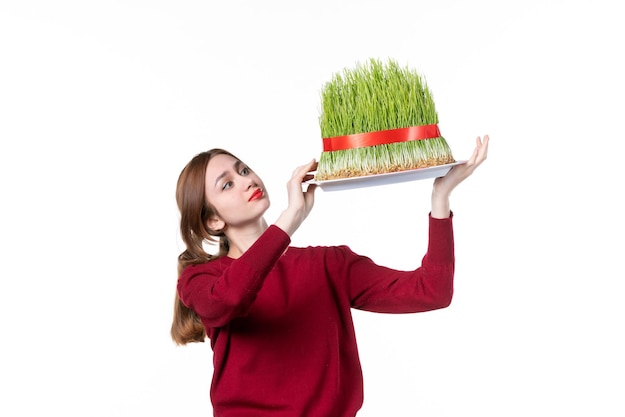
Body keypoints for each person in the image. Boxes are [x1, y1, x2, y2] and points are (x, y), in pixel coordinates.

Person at [171, 135, 489, 417]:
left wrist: (440, 199)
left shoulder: (328, 263)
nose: (247, 181)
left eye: (243, 170)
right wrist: (290, 218)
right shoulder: (202, 279)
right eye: (227, 184)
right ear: (212, 220)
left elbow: (433, 290)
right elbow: (230, 298)